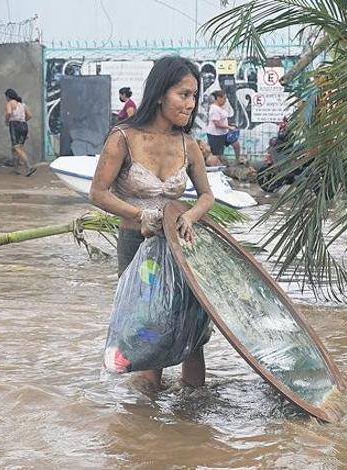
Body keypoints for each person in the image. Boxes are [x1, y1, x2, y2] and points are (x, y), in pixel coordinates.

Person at [90, 56, 215, 390]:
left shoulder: (189, 145)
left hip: (183, 251)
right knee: (147, 336)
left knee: (192, 337)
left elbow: (206, 196)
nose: (190, 104)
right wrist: (139, 215)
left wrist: (188, 216)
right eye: (183, 94)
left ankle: (191, 419)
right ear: (160, 93)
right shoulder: (123, 138)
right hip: (137, 248)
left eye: (194, 96)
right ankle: (146, 428)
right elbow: (98, 193)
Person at [4, 88, 35, 176]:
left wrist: (6, 121)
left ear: (8, 97)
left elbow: (9, 113)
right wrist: (23, 120)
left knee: (17, 148)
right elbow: (30, 115)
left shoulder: (10, 103)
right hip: (24, 125)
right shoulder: (22, 104)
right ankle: (16, 168)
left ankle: (29, 166)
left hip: (15, 125)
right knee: (16, 148)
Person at [206, 90, 237, 163]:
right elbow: (217, 123)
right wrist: (229, 127)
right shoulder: (214, 109)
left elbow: (222, 119)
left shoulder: (220, 108)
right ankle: (214, 167)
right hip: (215, 135)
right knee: (217, 154)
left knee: (236, 143)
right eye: (224, 99)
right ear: (218, 98)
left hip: (224, 133)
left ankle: (237, 160)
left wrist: (229, 125)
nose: (225, 101)